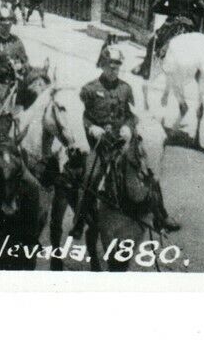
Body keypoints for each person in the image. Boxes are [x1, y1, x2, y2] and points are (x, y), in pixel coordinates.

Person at [77, 44, 180, 233]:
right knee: (94, 176)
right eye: (110, 64)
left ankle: (161, 215)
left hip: (123, 140)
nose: (113, 68)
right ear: (102, 64)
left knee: (148, 169)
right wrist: (92, 128)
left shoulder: (126, 89)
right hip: (101, 143)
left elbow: (131, 115)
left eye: (117, 65)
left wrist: (127, 127)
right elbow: (84, 116)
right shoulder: (89, 89)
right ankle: (80, 221)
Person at [0, 6, 30, 103]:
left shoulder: (17, 42)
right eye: (3, 25)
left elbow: (26, 63)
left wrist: (21, 66)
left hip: (16, 86)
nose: (6, 27)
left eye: (9, 25)